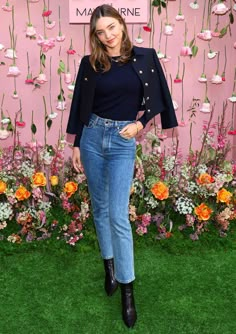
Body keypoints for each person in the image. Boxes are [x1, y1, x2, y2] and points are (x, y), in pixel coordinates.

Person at [66, 4, 178, 328]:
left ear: (122, 24)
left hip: (122, 142)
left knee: (118, 215)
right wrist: (76, 144)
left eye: (111, 28)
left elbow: (158, 99)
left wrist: (140, 125)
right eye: (100, 32)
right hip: (91, 139)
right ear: (95, 36)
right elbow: (79, 104)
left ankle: (128, 292)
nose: (108, 36)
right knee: (99, 209)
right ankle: (109, 267)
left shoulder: (145, 57)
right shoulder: (90, 64)